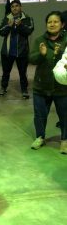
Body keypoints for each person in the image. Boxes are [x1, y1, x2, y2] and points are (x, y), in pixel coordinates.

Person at [29, 11, 67, 154]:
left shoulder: (66, 40)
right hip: (41, 85)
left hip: (62, 87)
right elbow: (31, 59)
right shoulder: (40, 40)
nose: (52, 24)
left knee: (64, 115)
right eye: (49, 22)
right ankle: (40, 137)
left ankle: (65, 140)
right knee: (39, 115)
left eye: (56, 21)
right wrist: (41, 54)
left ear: (62, 24)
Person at [0, 0, 34, 99]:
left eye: (17, 6)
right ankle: (3, 88)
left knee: (23, 73)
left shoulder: (27, 18)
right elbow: (0, 31)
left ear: (20, 7)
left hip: (22, 52)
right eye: (12, 6)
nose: (14, 8)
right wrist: (8, 26)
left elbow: (29, 31)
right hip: (7, 52)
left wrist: (20, 25)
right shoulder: (7, 18)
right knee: (5, 72)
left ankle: (24, 90)